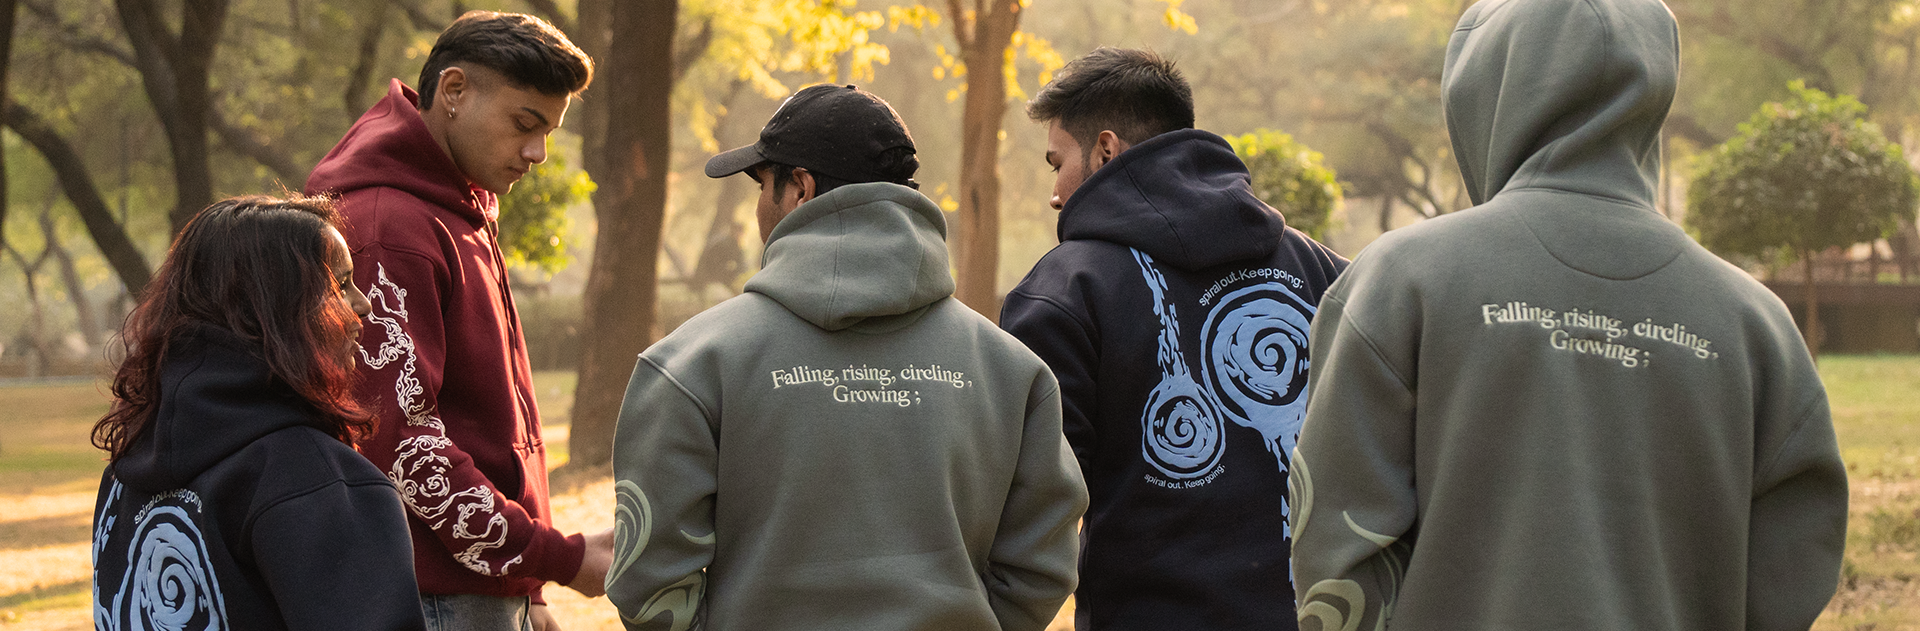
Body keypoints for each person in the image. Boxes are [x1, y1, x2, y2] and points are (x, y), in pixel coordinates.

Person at [1286, 0, 1848, 628]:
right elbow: (1792, 565)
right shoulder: (1756, 326)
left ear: (1484, 93)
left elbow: (1337, 545)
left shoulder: (1400, 280)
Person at [604, 84, 1087, 630]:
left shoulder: (688, 365)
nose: (759, 206)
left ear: (800, 188)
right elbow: (1042, 565)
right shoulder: (1013, 371)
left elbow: (651, 582)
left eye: (762, 185)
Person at [999, 48, 1347, 629]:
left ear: (1105, 149)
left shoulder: (1063, 293)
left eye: (1056, 163)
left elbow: (1029, 509)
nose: (1055, 193)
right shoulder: (1325, 271)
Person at [302, 11, 609, 631]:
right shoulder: (389, 228)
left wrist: (529, 587)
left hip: (481, 584)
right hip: (431, 595)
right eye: (525, 124)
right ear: (454, 91)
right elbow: (405, 448)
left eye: (548, 132)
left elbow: (489, 415)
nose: (538, 153)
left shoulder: (460, 207)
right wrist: (560, 559)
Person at [90, 195, 425, 631]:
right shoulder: (316, 481)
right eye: (340, 286)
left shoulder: (125, 470)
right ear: (275, 309)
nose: (362, 305)